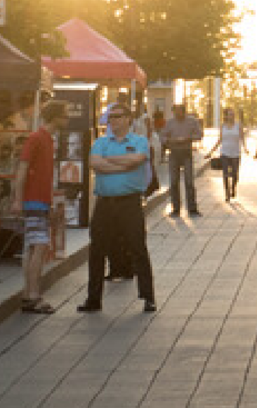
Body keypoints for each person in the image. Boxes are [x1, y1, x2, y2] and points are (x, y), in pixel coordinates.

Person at [80, 102, 156, 313]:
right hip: (104, 203)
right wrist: (123, 163)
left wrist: (109, 162)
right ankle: (93, 299)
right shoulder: (100, 143)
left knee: (138, 248)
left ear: (128, 119)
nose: (113, 121)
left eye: (117, 116)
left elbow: (137, 159)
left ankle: (148, 297)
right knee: (97, 250)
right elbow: (95, 163)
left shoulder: (139, 141)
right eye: (110, 117)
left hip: (129, 203)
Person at [12, 100, 69, 313]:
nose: (67, 119)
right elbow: (23, 169)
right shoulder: (37, 138)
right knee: (40, 245)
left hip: (40, 199)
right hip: (34, 199)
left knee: (32, 246)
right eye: (64, 115)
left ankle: (29, 294)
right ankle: (34, 295)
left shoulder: (48, 139)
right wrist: (19, 200)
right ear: (54, 116)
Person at [161, 103, 203, 217]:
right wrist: (171, 140)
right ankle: (176, 209)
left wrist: (188, 138)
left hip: (186, 153)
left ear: (184, 111)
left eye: (180, 111)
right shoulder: (170, 123)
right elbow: (163, 137)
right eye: (176, 112)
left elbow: (199, 134)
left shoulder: (192, 121)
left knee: (189, 182)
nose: (178, 114)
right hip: (174, 153)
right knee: (174, 182)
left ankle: (192, 208)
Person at [206, 106, 247, 201]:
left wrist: (245, 148)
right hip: (224, 152)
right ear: (226, 116)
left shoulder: (238, 125)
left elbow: (242, 137)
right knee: (225, 173)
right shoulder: (222, 126)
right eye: (230, 114)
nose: (232, 116)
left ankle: (233, 188)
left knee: (235, 174)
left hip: (236, 153)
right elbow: (220, 139)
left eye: (233, 114)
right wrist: (211, 151)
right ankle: (227, 193)